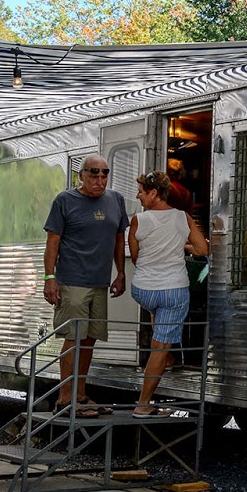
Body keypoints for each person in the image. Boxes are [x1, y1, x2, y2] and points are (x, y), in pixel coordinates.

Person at [43, 154, 127, 416]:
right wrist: (49, 278)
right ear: (81, 175)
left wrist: (121, 273)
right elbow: (53, 242)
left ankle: (80, 394)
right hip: (73, 281)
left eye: (104, 174)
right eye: (93, 174)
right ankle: (65, 398)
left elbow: (118, 238)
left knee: (90, 339)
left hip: (100, 282)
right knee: (73, 338)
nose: (99, 180)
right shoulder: (65, 200)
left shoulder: (116, 200)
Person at [128, 172, 208, 417]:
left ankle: (169, 358)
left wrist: (168, 246)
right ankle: (143, 404)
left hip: (143, 290)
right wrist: (180, 244)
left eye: (141, 191)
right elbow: (202, 249)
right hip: (172, 290)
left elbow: (136, 256)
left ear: (153, 193)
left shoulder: (138, 220)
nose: (138, 195)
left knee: (159, 315)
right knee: (160, 345)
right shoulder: (182, 218)